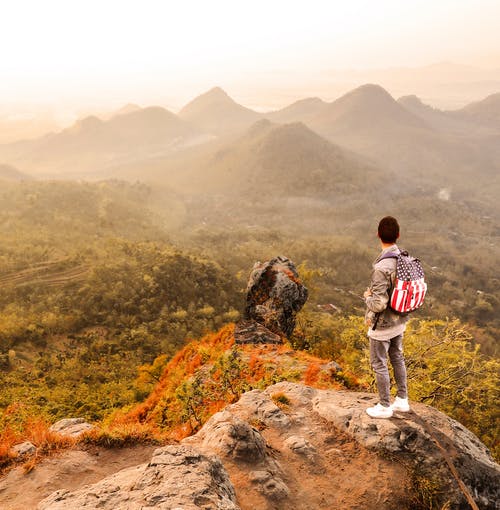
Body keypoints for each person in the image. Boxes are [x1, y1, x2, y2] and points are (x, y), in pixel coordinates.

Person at [363, 216, 411, 418]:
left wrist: (367, 298)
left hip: (383, 325)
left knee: (379, 363)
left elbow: (379, 303)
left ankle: (384, 406)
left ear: (378, 235)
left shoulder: (382, 268)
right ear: (398, 235)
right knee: (397, 357)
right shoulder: (405, 258)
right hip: (400, 320)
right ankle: (402, 400)